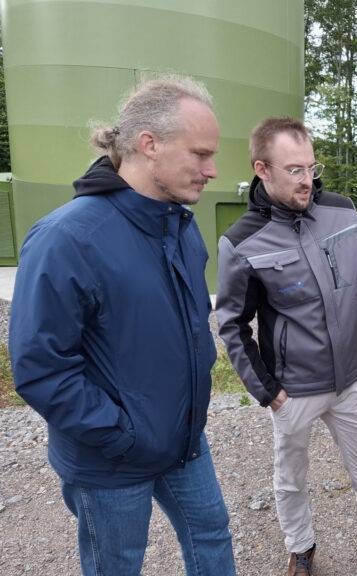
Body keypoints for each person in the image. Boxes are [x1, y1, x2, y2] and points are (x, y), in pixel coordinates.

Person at [9, 76, 236, 576]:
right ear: (148, 145)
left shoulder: (179, 224)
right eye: (199, 154)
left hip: (183, 440)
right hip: (111, 456)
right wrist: (121, 436)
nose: (212, 170)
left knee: (212, 536)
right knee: (117, 565)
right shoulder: (67, 238)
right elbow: (40, 368)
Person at [216, 117, 357, 576]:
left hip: (352, 379)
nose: (308, 179)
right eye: (294, 170)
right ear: (262, 169)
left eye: (311, 166)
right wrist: (268, 391)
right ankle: (301, 548)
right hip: (294, 388)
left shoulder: (342, 211)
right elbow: (232, 324)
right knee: (290, 480)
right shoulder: (243, 241)